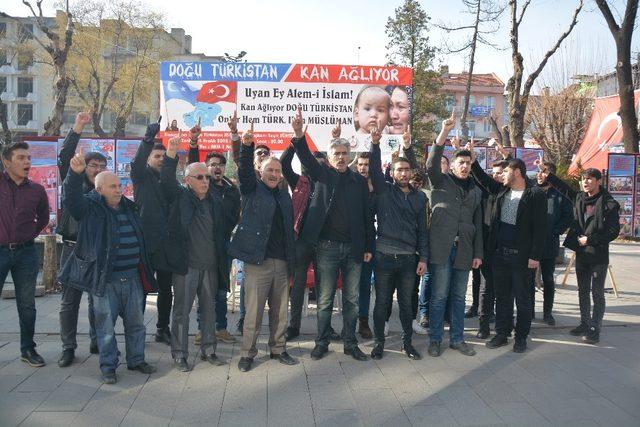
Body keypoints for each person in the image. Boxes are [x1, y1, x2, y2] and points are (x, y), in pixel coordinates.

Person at [59, 155, 157, 384]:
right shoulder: (91, 209)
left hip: (132, 279)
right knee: (106, 329)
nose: (118, 189)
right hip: (105, 281)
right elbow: (72, 200)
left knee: (136, 324)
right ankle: (108, 366)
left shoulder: (129, 208)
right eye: (113, 186)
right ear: (99, 189)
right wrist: (74, 175)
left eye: (120, 185)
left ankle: (136, 359)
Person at [291, 108, 374, 362]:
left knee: (351, 299)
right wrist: (298, 134)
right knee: (325, 300)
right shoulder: (322, 175)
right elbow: (304, 156)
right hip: (326, 248)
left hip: (353, 248)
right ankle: (321, 342)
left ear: (350, 156)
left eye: (344, 153)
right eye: (336, 153)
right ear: (329, 156)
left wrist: (368, 245)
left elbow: (367, 216)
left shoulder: (359, 182)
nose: (340, 157)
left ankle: (350, 343)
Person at [157, 137, 232, 372]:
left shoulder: (215, 202)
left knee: (209, 312)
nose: (205, 181)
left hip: (210, 266)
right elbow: (167, 181)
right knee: (181, 312)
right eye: (199, 177)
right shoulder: (180, 197)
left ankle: (209, 350)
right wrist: (171, 153)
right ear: (188, 180)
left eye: (207, 177)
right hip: (186, 266)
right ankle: (180, 355)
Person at [229, 121, 297, 372]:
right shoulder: (251, 188)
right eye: (270, 170)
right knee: (254, 313)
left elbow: (289, 232)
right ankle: (247, 353)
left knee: (280, 313)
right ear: (261, 171)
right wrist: (247, 145)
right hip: (257, 262)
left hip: (282, 263)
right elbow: (244, 170)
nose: (274, 174)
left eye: (278, 171)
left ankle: (278, 349)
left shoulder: (283, 195)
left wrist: (291, 264)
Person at [470, 146, 547, 353]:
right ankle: (502, 333)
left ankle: (521, 337)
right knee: (502, 297)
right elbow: (483, 180)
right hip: (499, 255)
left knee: (522, 299)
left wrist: (535, 256)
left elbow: (541, 229)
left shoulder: (535, 194)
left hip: (522, 258)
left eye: (505, 171)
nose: (501, 174)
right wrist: (473, 160)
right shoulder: (502, 191)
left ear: (517, 172)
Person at [425, 111, 483, 358]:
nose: (465, 166)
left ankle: (457, 339)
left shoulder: (476, 190)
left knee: (459, 297)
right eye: (461, 162)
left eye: (468, 163)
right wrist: (444, 132)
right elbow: (430, 164)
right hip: (441, 249)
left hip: (465, 250)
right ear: (454, 164)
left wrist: (478, 253)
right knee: (439, 297)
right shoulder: (440, 181)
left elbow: (478, 223)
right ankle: (435, 339)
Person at [368, 126, 428, 360]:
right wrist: (375, 144)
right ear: (392, 173)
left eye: (406, 170)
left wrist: (423, 258)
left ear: (411, 172)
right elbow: (373, 170)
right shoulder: (384, 192)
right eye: (399, 170)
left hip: (408, 260)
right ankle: (378, 343)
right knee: (382, 303)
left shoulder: (420, 197)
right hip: (384, 257)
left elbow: (423, 230)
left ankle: (406, 343)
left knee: (405, 304)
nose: (403, 173)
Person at [544, 167, 620, 344]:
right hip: (582, 253)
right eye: (583, 179)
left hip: (598, 255)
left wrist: (591, 240)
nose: (585, 182)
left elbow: (613, 231)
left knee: (597, 293)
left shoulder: (609, 203)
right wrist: (548, 175)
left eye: (590, 179)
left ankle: (595, 328)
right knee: (583, 291)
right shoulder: (579, 198)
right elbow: (563, 188)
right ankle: (584, 323)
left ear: (599, 181)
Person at [56, 112, 106, 367]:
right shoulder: (74, 183)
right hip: (73, 249)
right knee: (69, 301)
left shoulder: (106, 191)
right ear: (84, 167)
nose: (97, 170)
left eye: (101, 166)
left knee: (95, 299)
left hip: (96, 251)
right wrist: (77, 127)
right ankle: (68, 347)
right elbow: (65, 158)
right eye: (93, 165)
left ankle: (97, 340)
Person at [187, 123, 241, 345]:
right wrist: (194, 143)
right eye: (212, 165)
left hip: (224, 246)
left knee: (221, 290)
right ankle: (202, 329)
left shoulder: (231, 190)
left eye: (220, 165)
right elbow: (192, 166)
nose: (216, 168)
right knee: (204, 291)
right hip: (203, 247)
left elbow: (236, 216)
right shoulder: (203, 190)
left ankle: (220, 328)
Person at [0, 142, 49, 367]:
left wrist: (29, 234)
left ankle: (27, 349)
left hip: (26, 253)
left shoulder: (36, 190)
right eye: (21, 158)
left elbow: (44, 218)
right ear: (6, 162)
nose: (27, 162)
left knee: (27, 304)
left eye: (28, 158)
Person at [280, 135, 329, 342]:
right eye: (310, 163)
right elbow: (283, 163)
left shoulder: (328, 182)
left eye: (319, 164)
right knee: (298, 285)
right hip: (301, 241)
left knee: (323, 287)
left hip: (324, 241)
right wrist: (294, 143)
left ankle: (324, 328)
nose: (313, 167)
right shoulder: (298, 181)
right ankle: (293, 326)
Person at [130, 122, 172, 345]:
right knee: (141, 291)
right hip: (144, 244)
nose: (162, 159)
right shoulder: (140, 176)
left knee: (167, 290)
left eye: (164, 156)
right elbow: (136, 162)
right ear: (148, 158)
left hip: (166, 246)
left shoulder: (169, 180)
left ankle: (162, 328)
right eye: (157, 156)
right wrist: (149, 136)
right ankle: (136, 331)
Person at [533, 162, 572, 325]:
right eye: (538, 172)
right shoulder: (531, 190)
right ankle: (528, 311)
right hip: (531, 243)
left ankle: (547, 313)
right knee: (528, 280)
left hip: (549, 242)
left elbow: (568, 216)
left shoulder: (559, 194)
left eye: (543, 172)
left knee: (548, 279)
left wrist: (556, 231)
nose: (539, 175)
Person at [476, 160, 508, 339]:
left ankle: (503, 326)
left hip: (505, 249)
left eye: (501, 172)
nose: (497, 175)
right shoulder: (485, 191)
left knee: (504, 290)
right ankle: (483, 325)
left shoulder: (511, 193)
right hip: (487, 248)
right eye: (494, 173)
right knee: (485, 289)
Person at [352, 151, 375, 339]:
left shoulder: (379, 187)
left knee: (365, 284)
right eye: (360, 164)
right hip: (351, 242)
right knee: (351, 285)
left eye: (366, 164)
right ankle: (349, 322)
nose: (363, 168)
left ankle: (363, 321)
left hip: (371, 243)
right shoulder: (350, 183)